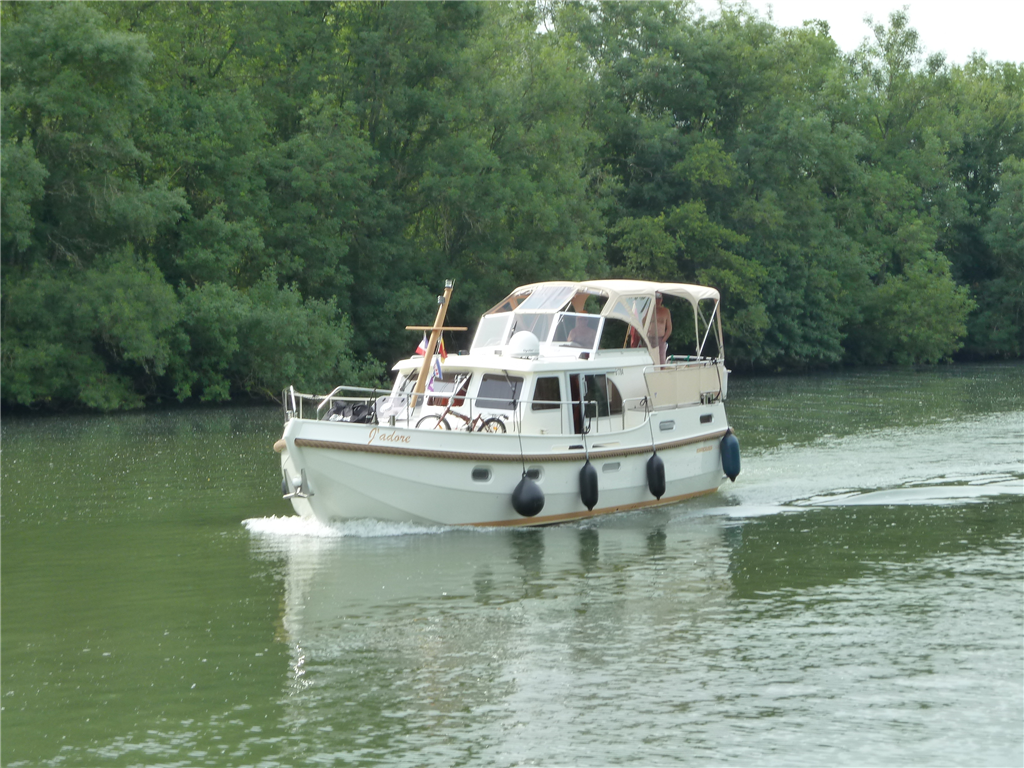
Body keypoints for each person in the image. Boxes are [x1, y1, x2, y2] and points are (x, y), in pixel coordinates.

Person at [648, 293, 672, 364]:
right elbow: (642, 323)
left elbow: (669, 327)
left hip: (660, 339)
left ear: (662, 299)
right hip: (649, 339)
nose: (658, 300)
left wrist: (664, 340)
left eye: (659, 298)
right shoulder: (648, 310)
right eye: (656, 298)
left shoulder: (666, 311)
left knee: (661, 361)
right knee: (648, 360)